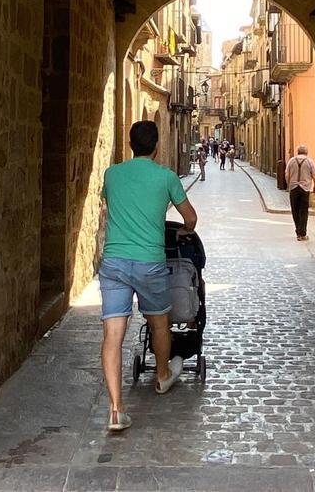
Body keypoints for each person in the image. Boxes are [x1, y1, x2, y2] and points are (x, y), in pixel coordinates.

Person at [99, 121, 199, 431]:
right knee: (159, 323)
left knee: (112, 335)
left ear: (130, 145)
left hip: (114, 262)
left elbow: (110, 204)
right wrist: (183, 230)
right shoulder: (166, 177)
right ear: (157, 146)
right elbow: (191, 218)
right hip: (150, 263)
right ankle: (162, 375)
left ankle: (116, 409)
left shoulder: (111, 174)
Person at [285, 144, 315, 241]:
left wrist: (289, 185)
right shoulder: (309, 161)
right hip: (305, 189)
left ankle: (298, 232)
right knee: (303, 211)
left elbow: (287, 175)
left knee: (295, 210)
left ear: (298, 152)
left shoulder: (291, 161)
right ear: (306, 152)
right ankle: (302, 233)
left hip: (293, 188)